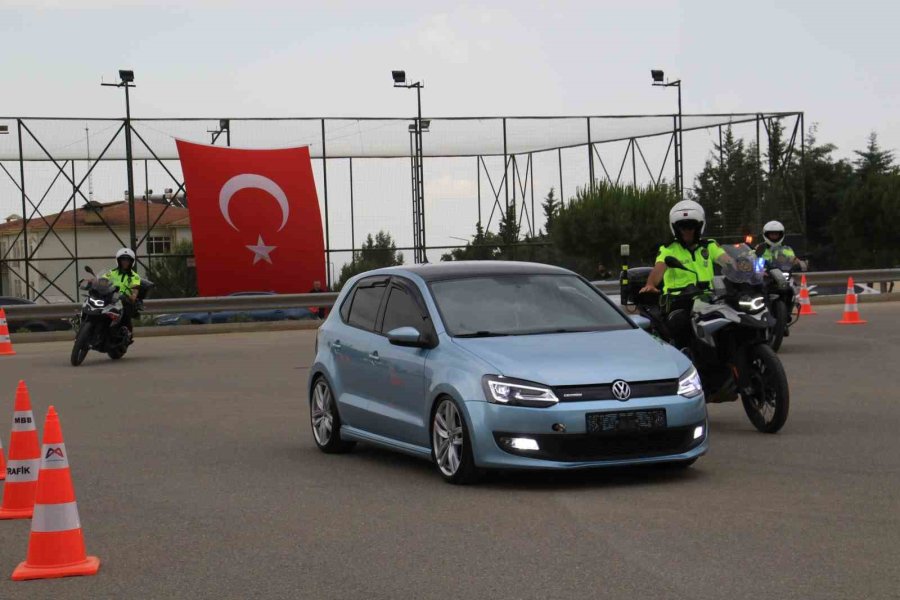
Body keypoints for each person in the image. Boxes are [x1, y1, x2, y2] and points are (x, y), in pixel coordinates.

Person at [103, 247, 141, 336]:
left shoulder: (134, 276)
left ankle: (127, 331)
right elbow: (102, 280)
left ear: (131, 262)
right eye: (123, 259)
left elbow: (135, 289)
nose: (125, 262)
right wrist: (93, 281)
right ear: (118, 261)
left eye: (127, 260)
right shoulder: (112, 272)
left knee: (127, 310)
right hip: (110, 297)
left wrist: (133, 295)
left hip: (124, 300)